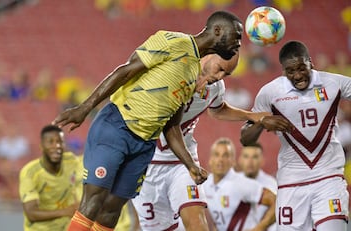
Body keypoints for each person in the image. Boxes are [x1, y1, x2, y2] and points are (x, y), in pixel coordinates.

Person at [52, 10, 243, 231]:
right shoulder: (172, 41)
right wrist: (85, 107)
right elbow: (125, 71)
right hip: (118, 125)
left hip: (145, 144)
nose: (238, 45)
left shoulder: (193, 73)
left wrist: (190, 165)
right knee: (93, 202)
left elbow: (172, 125)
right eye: (236, 37)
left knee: (111, 211)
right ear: (217, 31)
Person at [131, 52, 270, 231]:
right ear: (209, 55)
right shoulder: (171, 71)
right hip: (147, 164)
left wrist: (251, 115)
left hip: (181, 163)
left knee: (198, 225)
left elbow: (217, 109)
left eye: (226, 74)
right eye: (220, 69)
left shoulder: (215, 87)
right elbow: (169, 127)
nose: (220, 77)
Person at [240, 40, 351, 230]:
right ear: (283, 71)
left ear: (310, 62)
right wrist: (262, 121)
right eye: (291, 71)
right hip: (291, 184)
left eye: (302, 68)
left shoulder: (334, 83)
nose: (298, 75)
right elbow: (245, 138)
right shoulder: (270, 93)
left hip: (329, 178)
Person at [19, 125, 83, 231]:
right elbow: (31, 213)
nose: (56, 145)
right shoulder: (30, 173)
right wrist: (66, 211)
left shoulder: (71, 161)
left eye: (60, 142)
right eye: (51, 142)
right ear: (42, 146)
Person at [203, 137, 276, 231]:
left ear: (233, 161)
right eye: (216, 155)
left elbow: (276, 201)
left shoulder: (242, 183)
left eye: (225, 155)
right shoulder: (206, 184)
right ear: (210, 159)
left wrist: (259, 228)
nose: (220, 159)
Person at [238, 142, 277, 231]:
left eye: (255, 157)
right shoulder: (232, 183)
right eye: (246, 156)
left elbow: (277, 215)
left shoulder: (271, 185)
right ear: (240, 160)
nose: (250, 162)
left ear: (262, 160)